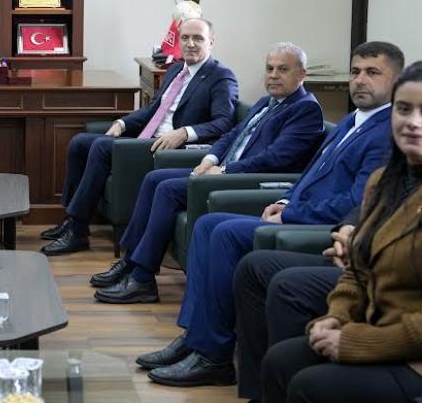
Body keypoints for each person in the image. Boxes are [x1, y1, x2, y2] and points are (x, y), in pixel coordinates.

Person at [140, 41, 404, 388]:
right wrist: (285, 200)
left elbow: (355, 203)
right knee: (207, 225)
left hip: (318, 229)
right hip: (295, 211)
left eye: (372, 73)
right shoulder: (352, 120)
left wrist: (293, 214)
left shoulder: (386, 132)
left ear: (396, 81)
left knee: (224, 232)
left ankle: (213, 355)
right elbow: (309, 174)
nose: (359, 80)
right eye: (355, 72)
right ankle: (196, 339)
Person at [93, 43, 325, 303]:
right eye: (269, 69)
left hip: (246, 181)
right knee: (154, 178)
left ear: (301, 74)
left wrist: (224, 170)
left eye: (282, 69)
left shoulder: (305, 109)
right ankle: (131, 263)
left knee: (168, 189)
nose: (273, 75)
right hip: (224, 169)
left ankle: (143, 278)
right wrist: (209, 159)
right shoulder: (266, 102)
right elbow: (232, 134)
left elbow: (276, 158)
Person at [261, 60, 422, 403]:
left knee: (311, 385)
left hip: (412, 356)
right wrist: (336, 317)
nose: (413, 122)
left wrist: (355, 342)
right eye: (404, 109)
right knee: (279, 361)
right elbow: (356, 270)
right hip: (374, 328)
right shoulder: (384, 182)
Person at [41, 17, 238, 255]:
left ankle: (78, 231)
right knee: (79, 142)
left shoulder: (221, 76)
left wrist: (185, 133)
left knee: (102, 147)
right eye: (185, 38)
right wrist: (122, 123)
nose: (190, 44)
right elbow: (153, 109)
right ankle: (70, 219)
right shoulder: (176, 69)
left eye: (198, 38)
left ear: (211, 42)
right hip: (147, 138)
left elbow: (224, 123)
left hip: (171, 150)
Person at [232, 209, 356, 401]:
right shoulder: (386, 188)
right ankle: (259, 393)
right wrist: (347, 229)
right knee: (252, 267)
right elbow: (364, 208)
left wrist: (363, 250)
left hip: (375, 270)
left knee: (287, 286)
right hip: (354, 262)